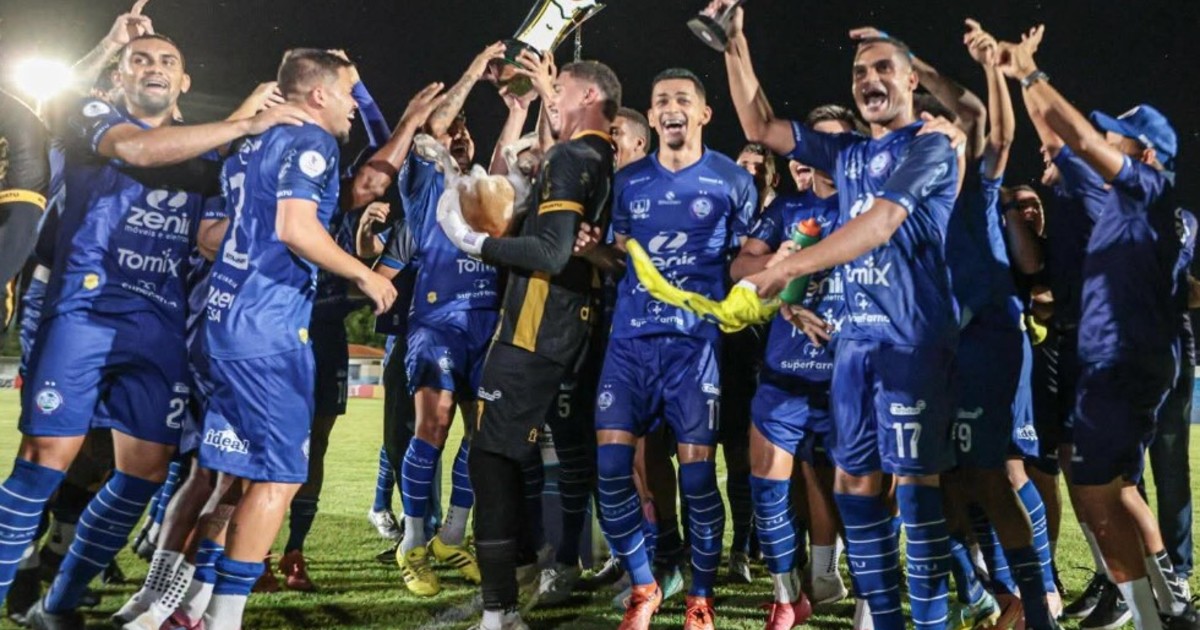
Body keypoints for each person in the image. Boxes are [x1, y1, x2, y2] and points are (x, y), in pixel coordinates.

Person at [2, 32, 307, 627]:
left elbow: (214, 236)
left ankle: (57, 606)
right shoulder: (93, 116)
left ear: (184, 82)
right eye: (139, 59)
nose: (154, 67)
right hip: (84, 313)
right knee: (45, 461)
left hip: (159, 324)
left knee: (143, 473)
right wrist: (244, 122)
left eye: (168, 60)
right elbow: (137, 150)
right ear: (119, 78)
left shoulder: (209, 154)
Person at [716, 3, 962, 629]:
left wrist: (786, 271)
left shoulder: (932, 146)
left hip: (910, 348)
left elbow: (878, 224)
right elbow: (761, 124)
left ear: (911, 80)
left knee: (914, 495)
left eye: (883, 68)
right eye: (859, 72)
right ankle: (881, 616)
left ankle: (932, 621)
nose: (869, 79)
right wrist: (734, 45)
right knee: (854, 489)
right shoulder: (846, 153)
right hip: (854, 353)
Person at [1000, 26, 1199, 630]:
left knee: (1100, 488)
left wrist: (1027, 74)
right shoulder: (1122, 199)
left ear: (1144, 154)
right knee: (1111, 487)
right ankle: (1165, 606)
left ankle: (1149, 608)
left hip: (1120, 359)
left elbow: (1070, 138)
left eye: (1118, 138)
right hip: (1121, 356)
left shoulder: (1133, 189)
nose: (1104, 142)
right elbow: (1066, 142)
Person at [195, 49, 396, 629]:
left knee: (230, 480)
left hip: (227, 319)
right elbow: (295, 227)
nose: (353, 107)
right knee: (281, 477)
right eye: (347, 94)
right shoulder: (311, 142)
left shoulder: (250, 144)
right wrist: (364, 275)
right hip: (269, 329)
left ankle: (183, 606)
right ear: (317, 95)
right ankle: (222, 618)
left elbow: (213, 237)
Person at [437, 57, 621, 630]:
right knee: (538, 458)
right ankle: (543, 570)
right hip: (572, 327)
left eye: (560, 88)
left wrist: (475, 243)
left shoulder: (572, 157)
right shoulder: (600, 157)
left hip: (536, 329)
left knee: (491, 456)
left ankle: (500, 610)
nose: (552, 95)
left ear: (588, 95)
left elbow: (550, 253)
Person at [593, 67, 756, 630]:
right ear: (652, 114)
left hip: (694, 349)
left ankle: (699, 599)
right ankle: (644, 587)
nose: (670, 107)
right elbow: (619, 256)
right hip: (630, 343)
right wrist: (592, 251)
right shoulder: (629, 181)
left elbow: (746, 259)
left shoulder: (732, 180)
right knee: (611, 469)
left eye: (682, 99)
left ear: (704, 113)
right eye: (661, 99)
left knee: (697, 480)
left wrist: (777, 274)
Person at [729, 104, 860, 629]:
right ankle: (787, 597)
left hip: (850, 376)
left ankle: (865, 598)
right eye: (815, 140)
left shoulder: (869, 206)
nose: (822, 151)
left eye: (834, 141)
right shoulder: (787, 208)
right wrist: (773, 263)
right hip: (785, 372)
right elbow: (739, 266)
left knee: (863, 497)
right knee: (769, 489)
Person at [385, 42, 509, 597]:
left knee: (482, 437)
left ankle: (451, 538)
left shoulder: (483, 185)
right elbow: (432, 127)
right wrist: (476, 70)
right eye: (451, 130)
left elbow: (506, 161)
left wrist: (519, 108)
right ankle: (412, 543)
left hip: (487, 325)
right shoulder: (422, 179)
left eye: (466, 131)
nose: (458, 135)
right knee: (432, 426)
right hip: (437, 323)